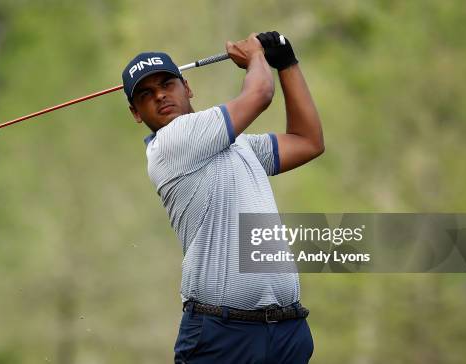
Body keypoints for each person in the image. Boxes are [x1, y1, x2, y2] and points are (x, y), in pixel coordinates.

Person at [121, 31, 324, 363]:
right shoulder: (172, 143)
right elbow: (260, 93)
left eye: (166, 84)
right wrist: (256, 56)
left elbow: (307, 141)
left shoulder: (237, 144)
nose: (159, 95)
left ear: (187, 87)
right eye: (146, 93)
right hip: (224, 335)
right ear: (136, 113)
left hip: (287, 331)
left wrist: (287, 63)